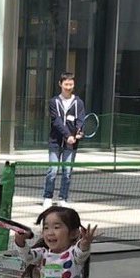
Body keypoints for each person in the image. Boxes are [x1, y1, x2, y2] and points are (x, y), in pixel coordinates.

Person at [42, 73, 86, 208]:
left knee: (67, 172)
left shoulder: (78, 102)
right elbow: (57, 121)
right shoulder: (53, 102)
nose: (68, 87)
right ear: (60, 84)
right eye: (66, 84)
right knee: (53, 170)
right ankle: (48, 197)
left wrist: (79, 133)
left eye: (71, 84)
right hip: (55, 141)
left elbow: (81, 120)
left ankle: (63, 198)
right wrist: (68, 136)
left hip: (71, 145)